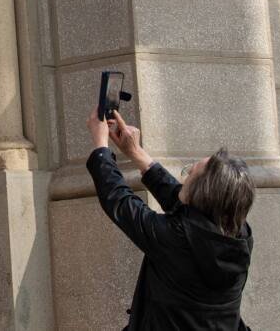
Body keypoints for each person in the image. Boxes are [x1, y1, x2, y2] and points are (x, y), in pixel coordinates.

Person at [86, 105, 256, 330]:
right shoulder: (240, 236)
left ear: (200, 194)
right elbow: (181, 201)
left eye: (189, 173)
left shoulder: (175, 239)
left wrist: (101, 147)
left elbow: (120, 200)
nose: (183, 181)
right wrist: (136, 153)